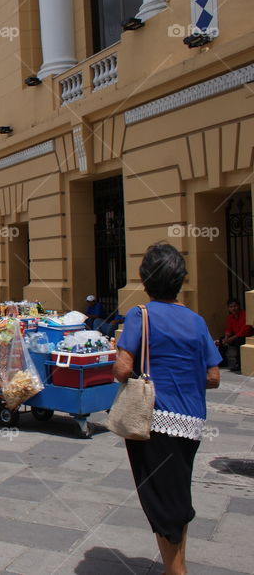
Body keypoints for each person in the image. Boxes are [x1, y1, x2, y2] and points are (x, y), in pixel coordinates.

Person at [115, 243, 220, 575]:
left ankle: (176, 571)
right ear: (180, 280)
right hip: (191, 422)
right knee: (176, 491)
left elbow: (121, 369)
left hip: (154, 421)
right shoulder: (196, 320)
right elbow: (213, 376)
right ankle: (174, 566)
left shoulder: (141, 315)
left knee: (161, 500)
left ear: (145, 280)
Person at [216, 298, 251, 372]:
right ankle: (222, 361)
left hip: (245, 336)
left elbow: (244, 331)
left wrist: (230, 339)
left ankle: (238, 364)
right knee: (221, 339)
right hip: (235, 336)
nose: (233, 308)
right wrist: (226, 339)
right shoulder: (230, 317)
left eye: (235, 306)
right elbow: (228, 330)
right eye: (231, 307)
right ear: (228, 308)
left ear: (239, 306)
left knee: (239, 341)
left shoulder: (245, 315)